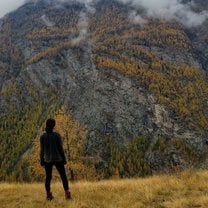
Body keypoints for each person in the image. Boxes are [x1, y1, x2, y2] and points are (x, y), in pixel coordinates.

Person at [40, 118, 71, 200]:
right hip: (58, 158)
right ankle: (67, 194)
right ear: (54, 125)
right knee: (63, 176)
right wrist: (64, 158)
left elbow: (42, 150)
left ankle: (48, 195)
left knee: (48, 177)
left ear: (46, 125)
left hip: (47, 159)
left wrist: (41, 160)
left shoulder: (42, 136)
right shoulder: (56, 135)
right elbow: (60, 148)